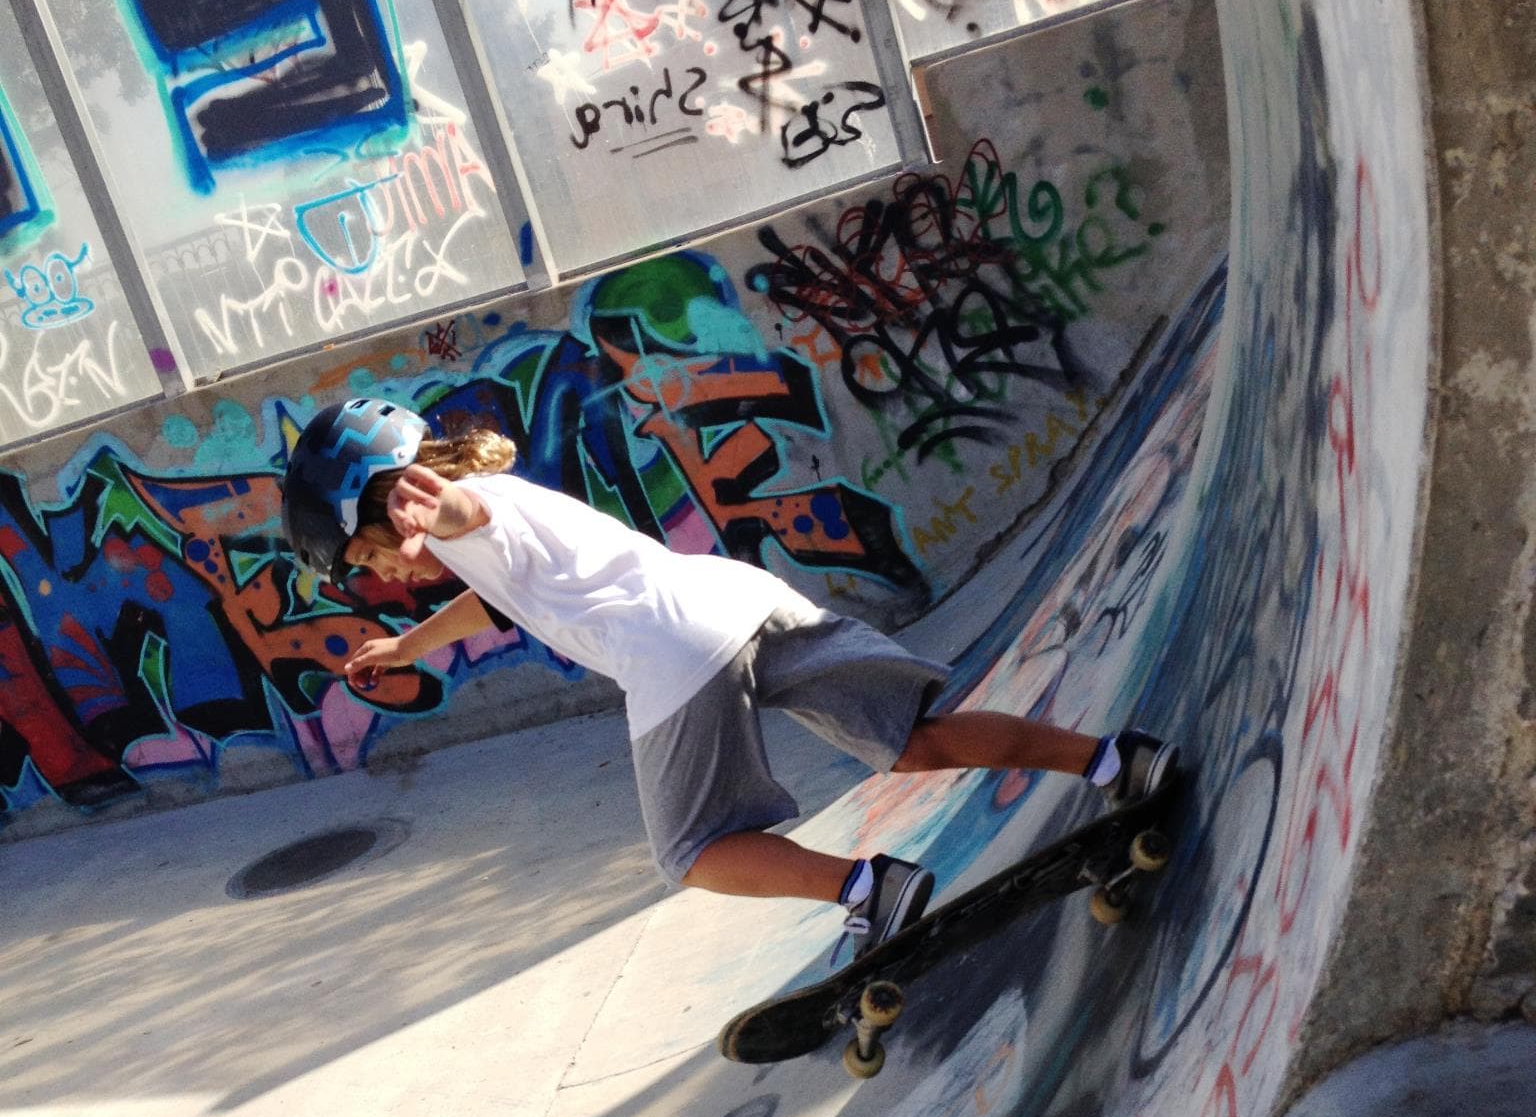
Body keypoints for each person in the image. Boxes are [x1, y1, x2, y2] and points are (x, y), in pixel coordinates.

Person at [281, 398, 1177, 959]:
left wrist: (410, 504)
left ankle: (871, 891)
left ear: (389, 492)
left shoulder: (452, 511)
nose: (383, 568)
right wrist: (408, 646)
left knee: (694, 855)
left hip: (676, 660)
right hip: (734, 599)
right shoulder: (488, 524)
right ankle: (1117, 763)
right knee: (915, 743)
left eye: (367, 550)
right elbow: (493, 600)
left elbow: (448, 510)